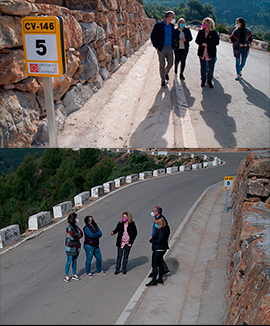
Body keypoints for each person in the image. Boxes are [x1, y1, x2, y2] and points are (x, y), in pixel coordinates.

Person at [150, 10, 176, 88]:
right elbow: (153, 36)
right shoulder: (159, 25)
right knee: (162, 64)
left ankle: (165, 73)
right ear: (168, 17)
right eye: (173, 17)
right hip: (162, 48)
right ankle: (163, 80)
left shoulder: (171, 26)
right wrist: (156, 46)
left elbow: (173, 36)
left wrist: (174, 46)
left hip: (170, 48)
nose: (174, 18)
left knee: (171, 63)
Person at [195, 17, 219, 88]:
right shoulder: (201, 31)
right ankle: (203, 81)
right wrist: (202, 43)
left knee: (211, 68)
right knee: (203, 67)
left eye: (205, 23)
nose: (204, 24)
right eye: (203, 23)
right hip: (202, 52)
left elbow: (216, 42)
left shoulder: (214, 32)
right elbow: (197, 40)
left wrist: (208, 45)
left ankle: (209, 81)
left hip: (210, 52)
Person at [146, 217, 170, 286]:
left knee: (155, 265)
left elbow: (159, 241)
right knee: (160, 264)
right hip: (163, 248)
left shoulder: (161, 231)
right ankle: (160, 279)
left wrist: (151, 240)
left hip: (158, 249)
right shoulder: (166, 228)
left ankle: (154, 280)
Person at [148, 206, 170, 277]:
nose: (152, 212)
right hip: (157, 240)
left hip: (159, 243)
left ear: (157, 212)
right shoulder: (157, 218)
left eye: (153, 211)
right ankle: (164, 269)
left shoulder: (161, 220)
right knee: (159, 258)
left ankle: (155, 273)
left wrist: (152, 239)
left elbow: (163, 231)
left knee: (156, 260)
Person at [64, 212, 83, 282]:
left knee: (74, 261)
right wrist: (77, 235)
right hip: (70, 247)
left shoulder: (76, 227)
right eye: (76, 218)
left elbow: (81, 234)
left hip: (76, 247)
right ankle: (66, 275)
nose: (77, 219)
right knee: (69, 261)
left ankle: (74, 274)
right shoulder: (68, 228)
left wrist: (78, 235)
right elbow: (73, 237)